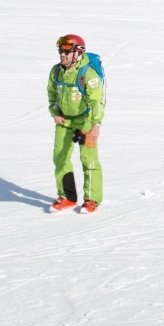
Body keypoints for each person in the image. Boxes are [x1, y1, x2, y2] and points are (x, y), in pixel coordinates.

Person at [47, 34, 104, 213]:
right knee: (60, 157)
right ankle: (68, 196)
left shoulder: (87, 74)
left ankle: (92, 199)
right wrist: (55, 112)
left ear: (78, 53)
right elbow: (51, 93)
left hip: (86, 122)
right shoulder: (56, 71)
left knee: (88, 159)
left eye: (66, 51)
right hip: (64, 121)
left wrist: (96, 125)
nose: (62, 54)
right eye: (60, 51)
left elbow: (97, 101)